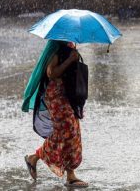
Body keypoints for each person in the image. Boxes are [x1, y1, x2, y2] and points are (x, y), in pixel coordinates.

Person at [21, 40, 89, 188]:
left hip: (68, 95)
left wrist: (73, 57)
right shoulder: (56, 48)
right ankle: (34, 157)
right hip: (56, 96)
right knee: (64, 132)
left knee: (73, 132)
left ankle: (70, 175)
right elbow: (51, 73)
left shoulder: (69, 46)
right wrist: (70, 59)